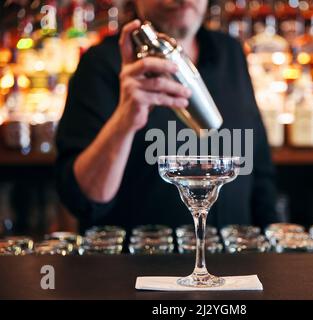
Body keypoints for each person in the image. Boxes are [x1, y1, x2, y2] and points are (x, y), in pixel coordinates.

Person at [56, 0, 277, 232]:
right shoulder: (101, 65)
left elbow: (260, 172)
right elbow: (82, 200)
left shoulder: (231, 52)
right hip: (138, 264)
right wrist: (124, 121)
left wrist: (270, 252)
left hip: (233, 262)